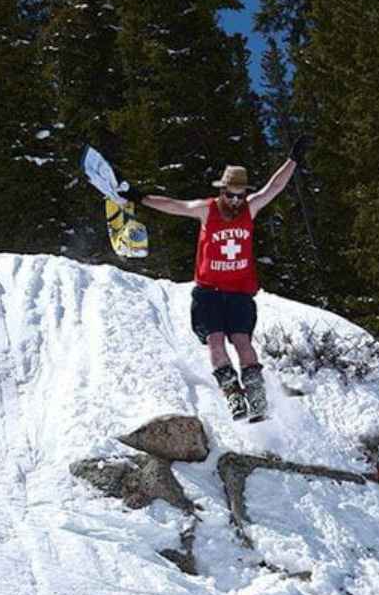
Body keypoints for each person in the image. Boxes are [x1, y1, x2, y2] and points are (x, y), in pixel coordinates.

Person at [126, 135, 310, 420]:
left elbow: (274, 187)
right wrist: (139, 197)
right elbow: (173, 205)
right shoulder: (207, 209)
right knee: (215, 340)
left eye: (240, 196)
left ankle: (257, 397)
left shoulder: (250, 208)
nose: (235, 201)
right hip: (209, 290)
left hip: (239, 290)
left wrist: (293, 160)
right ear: (222, 191)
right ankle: (233, 394)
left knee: (242, 341)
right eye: (230, 195)